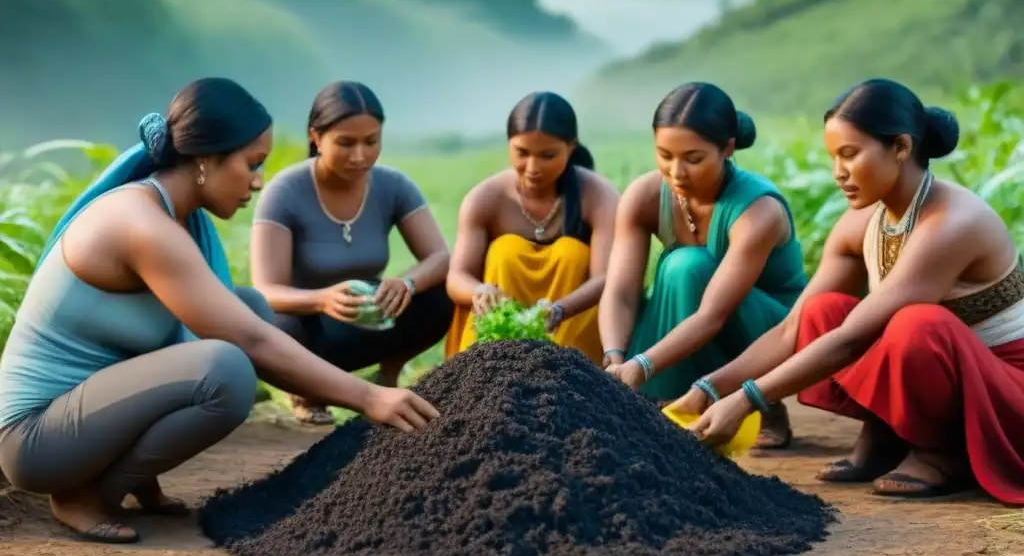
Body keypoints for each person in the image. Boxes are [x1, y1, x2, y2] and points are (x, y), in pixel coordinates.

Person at [0, 78, 439, 545]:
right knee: (225, 369)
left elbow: (241, 324)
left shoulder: (173, 214)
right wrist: (368, 398)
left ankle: (127, 475)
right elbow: (248, 342)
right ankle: (85, 493)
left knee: (245, 305)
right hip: (36, 440)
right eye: (252, 164)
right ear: (206, 160)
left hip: (89, 413)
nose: (258, 181)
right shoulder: (142, 224)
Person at [675, 78, 1024, 505]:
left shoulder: (952, 223)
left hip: (1006, 389)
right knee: (822, 312)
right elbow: (793, 330)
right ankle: (888, 432)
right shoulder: (862, 223)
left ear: (900, 147)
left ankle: (940, 452)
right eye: (833, 157)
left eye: (850, 154)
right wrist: (710, 388)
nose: (838, 172)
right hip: (946, 375)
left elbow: (854, 338)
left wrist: (747, 400)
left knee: (917, 324)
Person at [600, 82, 807, 438]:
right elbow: (620, 290)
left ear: (727, 148)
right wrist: (616, 356)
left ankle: (756, 401)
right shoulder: (645, 197)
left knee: (688, 267)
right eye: (664, 155)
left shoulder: (758, 211)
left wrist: (643, 365)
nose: (676, 172)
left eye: (693, 159)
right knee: (678, 271)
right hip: (692, 318)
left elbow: (714, 314)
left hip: (767, 330)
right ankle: (666, 402)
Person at [250, 80, 452, 424]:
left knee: (440, 294)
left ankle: (388, 374)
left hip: (368, 319)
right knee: (276, 324)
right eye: (346, 143)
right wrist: (322, 300)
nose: (360, 156)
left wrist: (407, 284)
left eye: (371, 142)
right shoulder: (285, 191)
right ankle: (307, 389)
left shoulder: (393, 185)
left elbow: (440, 257)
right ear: (316, 136)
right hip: (309, 331)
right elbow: (266, 291)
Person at [445, 91, 618, 364]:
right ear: (509, 145)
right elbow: (457, 276)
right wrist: (478, 291)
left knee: (571, 252)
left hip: (573, 334)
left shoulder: (599, 196)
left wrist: (559, 310)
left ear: (571, 148)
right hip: (495, 345)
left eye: (547, 155)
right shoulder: (485, 198)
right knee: (506, 250)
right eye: (522, 153)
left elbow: (607, 278)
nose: (532, 168)